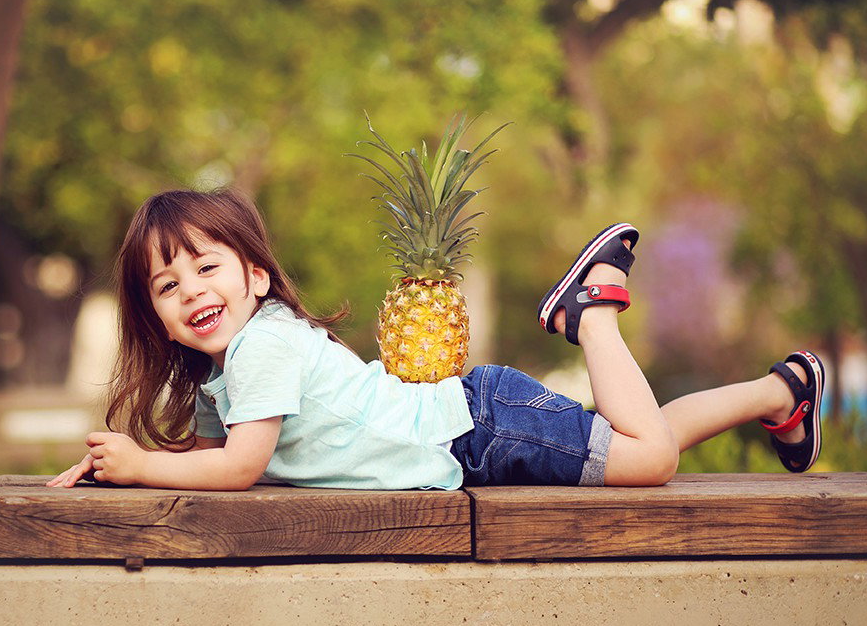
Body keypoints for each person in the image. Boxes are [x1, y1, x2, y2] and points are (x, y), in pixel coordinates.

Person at [46, 188, 824, 491]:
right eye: (167, 284)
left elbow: (240, 466)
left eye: (205, 266)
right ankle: (784, 391)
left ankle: (591, 313)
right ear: (154, 314)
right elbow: (212, 456)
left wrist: (143, 463)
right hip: (469, 429)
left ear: (255, 276)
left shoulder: (265, 345)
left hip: (476, 431)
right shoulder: (226, 371)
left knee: (650, 458)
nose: (190, 290)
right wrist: (116, 467)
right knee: (635, 437)